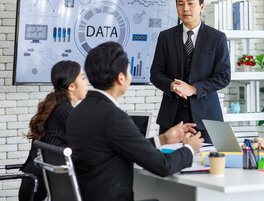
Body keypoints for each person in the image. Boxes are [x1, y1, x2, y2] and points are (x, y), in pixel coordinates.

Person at [67, 42, 204, 201]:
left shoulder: (78, 111)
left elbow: (120, 148)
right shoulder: (113, 116)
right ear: (121, 77)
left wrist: (163, 139)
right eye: (128, 70)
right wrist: (189, 148)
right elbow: (163, 166)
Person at [150, 0, 231, 143]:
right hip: (171, 118)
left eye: (190, 3)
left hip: (208, 117)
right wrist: (171, 85)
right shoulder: (165, 37)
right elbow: (155, 74)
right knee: (169, 163)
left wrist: (194, 89)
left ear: (201, 7)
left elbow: (224, 76)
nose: (185, 8)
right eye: (180, 4)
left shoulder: (217, 37)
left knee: (214, 164)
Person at [19, 61, 89, 201]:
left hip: (34, 185)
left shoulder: (58, 106)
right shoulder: (66, 111)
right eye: (82, 77)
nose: (87, 82)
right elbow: (89, 144)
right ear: (71, 86)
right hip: (44, 190)